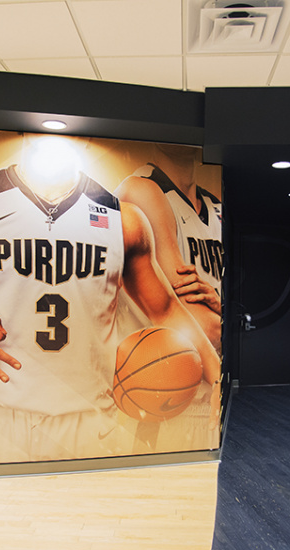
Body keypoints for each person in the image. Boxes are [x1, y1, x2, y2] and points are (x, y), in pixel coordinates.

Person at [0, 135, 220, 465]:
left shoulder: (123, 219)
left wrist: (216, 374)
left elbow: (165, 309)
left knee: (93, 518)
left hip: (91, 421)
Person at [113, 143, 224, 452]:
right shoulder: (141, 189)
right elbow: (199, 322)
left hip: (209, 386)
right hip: (159, 388)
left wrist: (220, 303)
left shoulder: (215, 206)